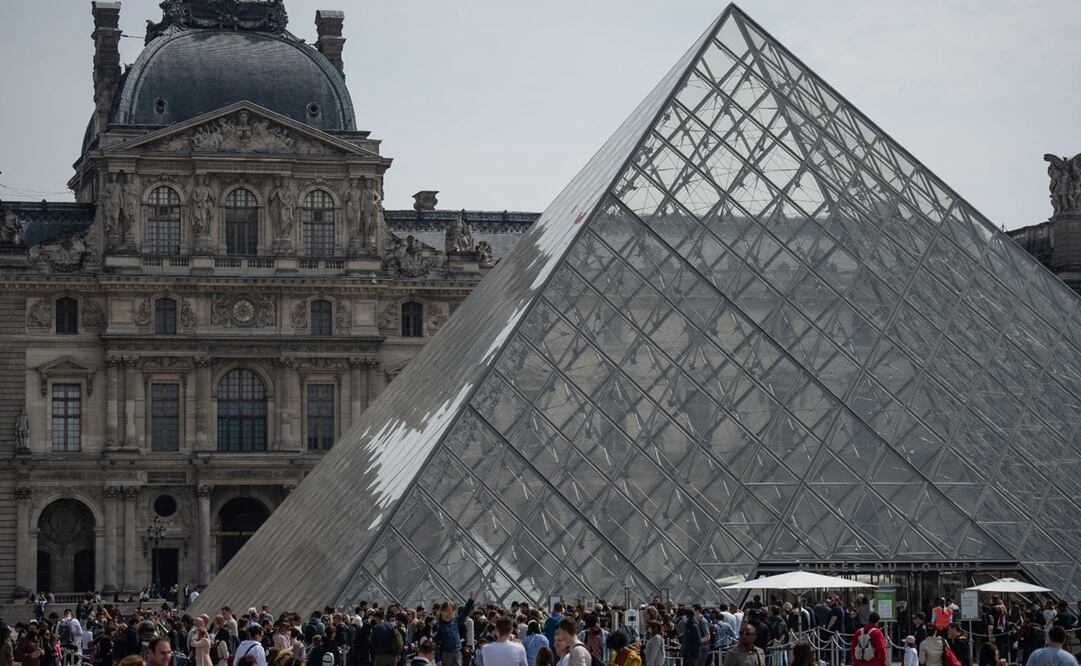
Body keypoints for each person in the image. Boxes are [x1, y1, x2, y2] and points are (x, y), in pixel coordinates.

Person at [436, 592, 476, 666]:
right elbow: (436, 644)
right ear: (442, 611)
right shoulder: (438, 625)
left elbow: (465, 612)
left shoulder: (455, 620)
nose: (450, 613)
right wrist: (438, 659)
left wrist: (471, 599)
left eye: (452, 611)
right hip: (446, 654)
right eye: (448, 611)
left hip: (457, 652)